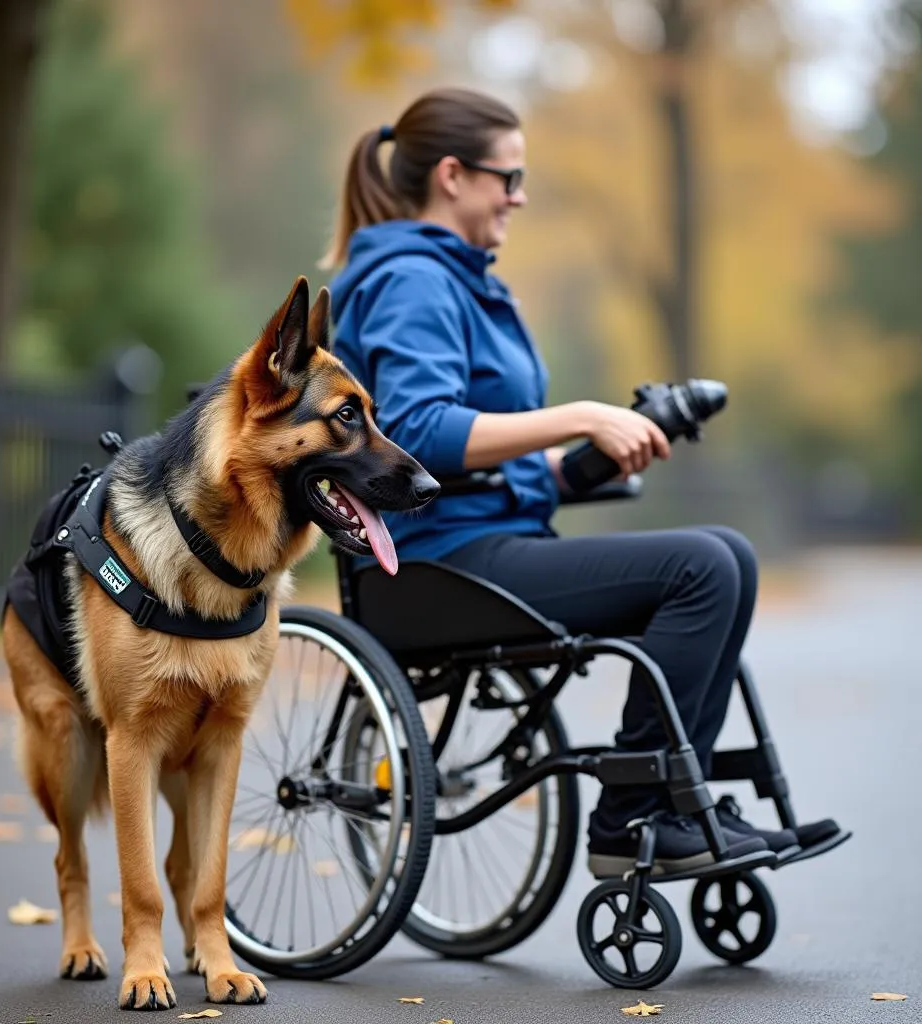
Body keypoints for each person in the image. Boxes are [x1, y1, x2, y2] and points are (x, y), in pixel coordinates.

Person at [324, 86, 807, 878]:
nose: (519, 196)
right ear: (453, 174)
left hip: (486, 541)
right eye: (507, 179)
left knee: (729, 553)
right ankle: (633, 820)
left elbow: (488, 454)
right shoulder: (413, 279)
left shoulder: (465, 278)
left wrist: (593, 456)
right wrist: (581, 414)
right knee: (704, 567)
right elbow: (416, 434)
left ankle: (676, 806)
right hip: (434, 562)